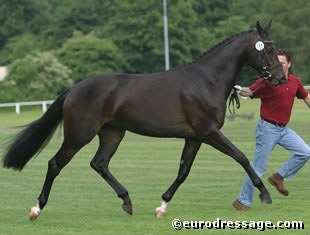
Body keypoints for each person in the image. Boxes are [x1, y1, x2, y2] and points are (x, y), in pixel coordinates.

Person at [232, 49, 310, 210]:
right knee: (258, 168)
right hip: (267, 129)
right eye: (276, 63)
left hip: (284, 130)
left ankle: (278, 177)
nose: (279, 66)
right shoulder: (267, 81)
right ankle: (242, 201)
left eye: (282, 63)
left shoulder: (295, 82)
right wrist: (238, 88)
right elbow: (250, 91)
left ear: (289, 64)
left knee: (305, 152)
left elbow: (305, 96)